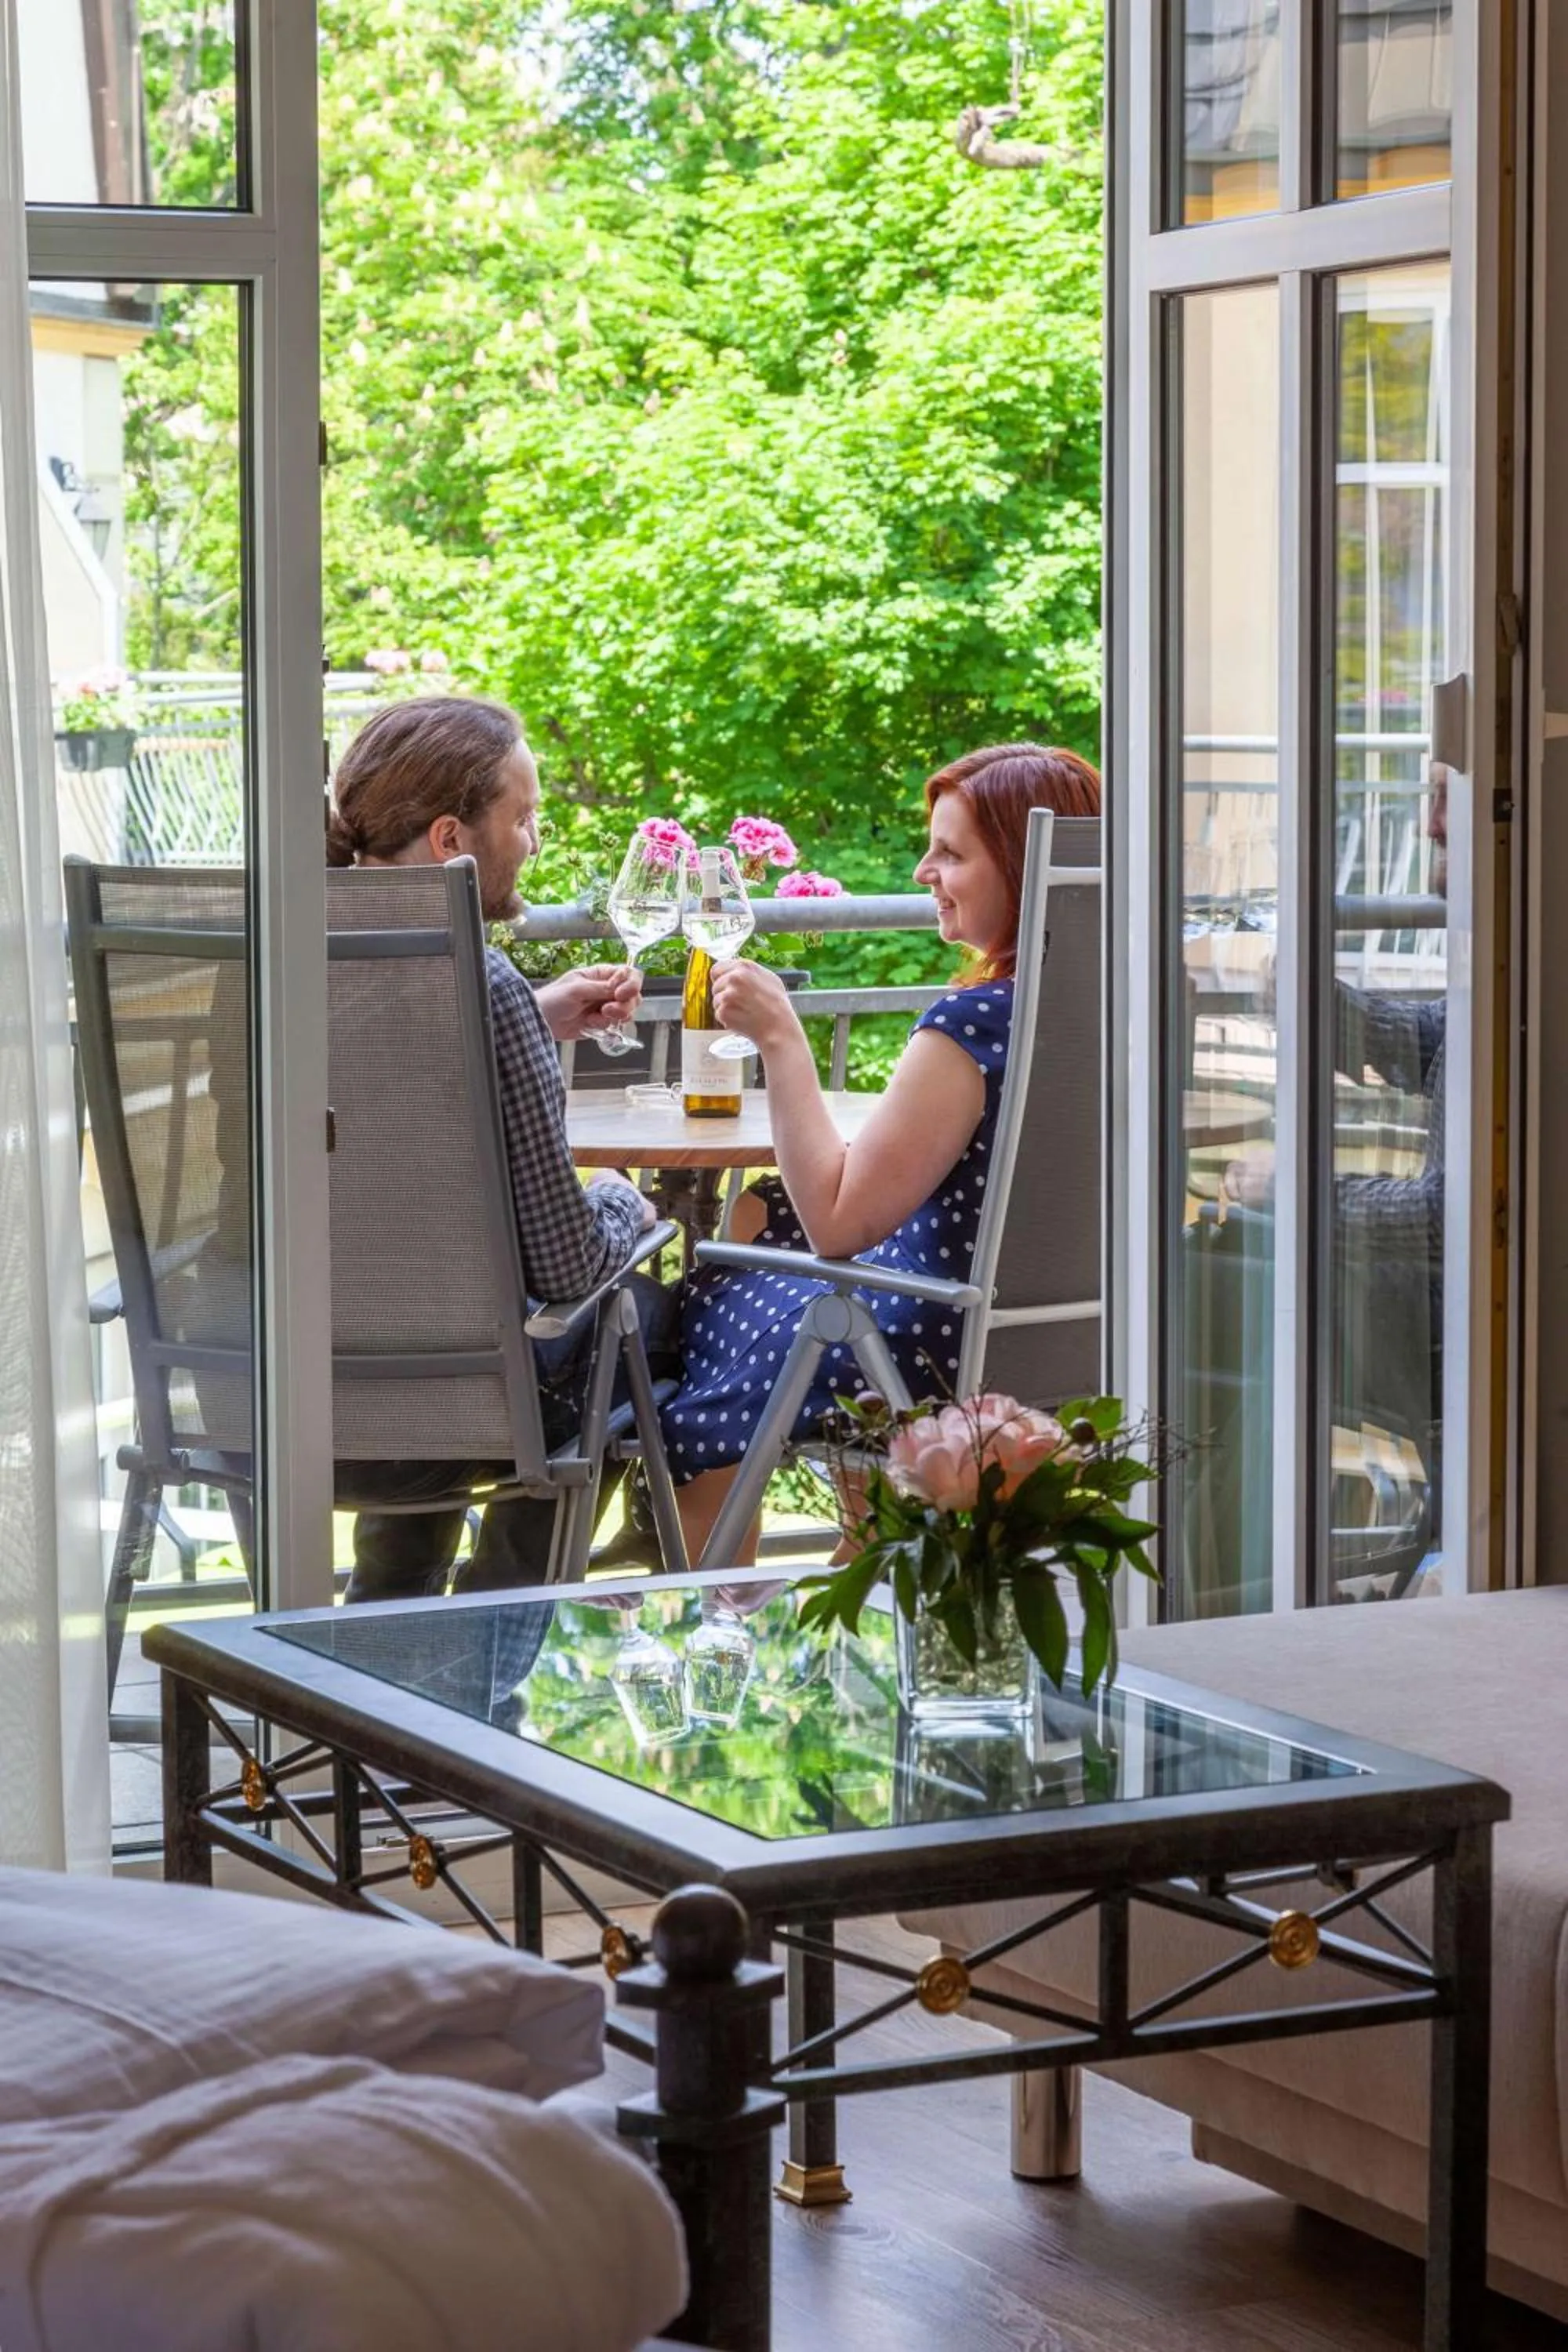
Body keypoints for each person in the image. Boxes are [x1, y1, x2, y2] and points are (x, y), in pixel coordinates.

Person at [660, 742, 1102, 1566]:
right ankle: (870, 1536)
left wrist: (781, 1036)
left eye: (950, 853)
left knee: (716, 1287)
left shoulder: (971, 1025)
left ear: (1016, 867)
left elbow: (836, 1224)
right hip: (1065, 1328)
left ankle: (708, 1600)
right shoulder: (1118, 1002)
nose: (920, 871)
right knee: (761, 1210)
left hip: (930, 1335)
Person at [324, 695, 678, 1600]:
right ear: (450, 837)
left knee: (432, 1311)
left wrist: (531, 1013)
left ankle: (385, 1633)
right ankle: (491, 1640)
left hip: (270, 1406)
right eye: (520, 817)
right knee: (633, 1312)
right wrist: (614, 1199)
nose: (533, 840)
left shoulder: (278, 959)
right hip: (444, 1425)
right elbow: (564, 1267)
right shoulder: (479, 981)